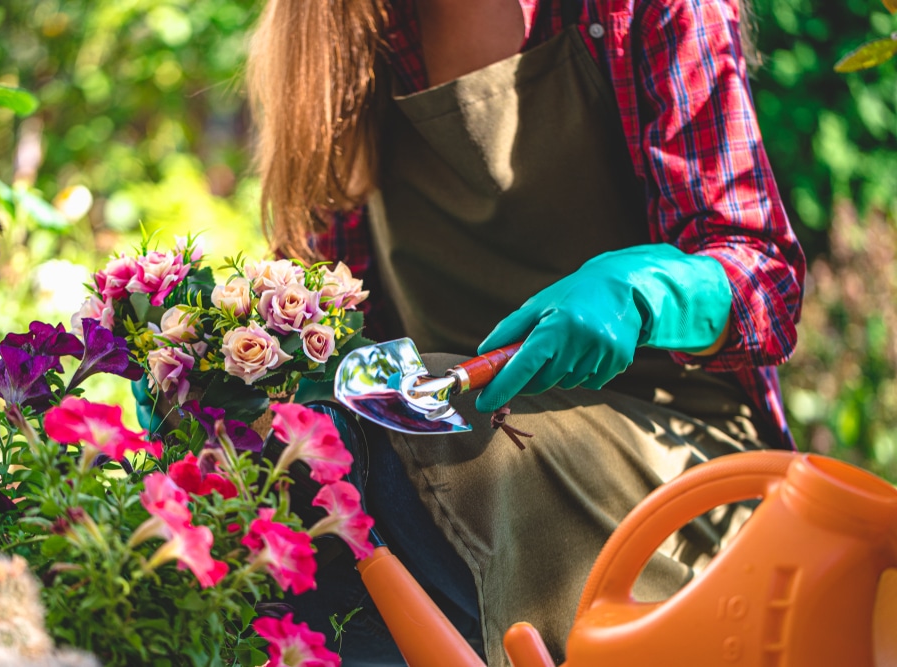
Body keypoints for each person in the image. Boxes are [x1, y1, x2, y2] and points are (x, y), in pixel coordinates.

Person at [244, 0, 806, 664]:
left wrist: (646, 294)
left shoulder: (638, 9)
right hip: (438, 442)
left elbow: (765, 278)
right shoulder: (349, 37)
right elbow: (336, 325)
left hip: (676, 474)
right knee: (282, 464)